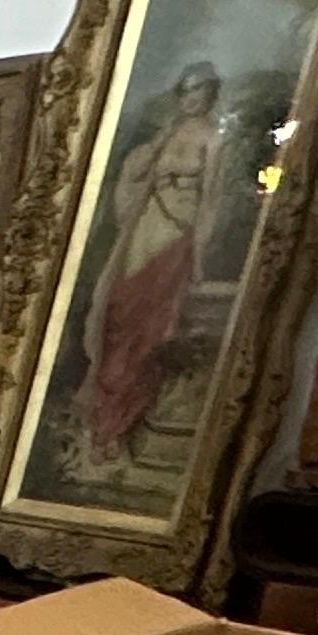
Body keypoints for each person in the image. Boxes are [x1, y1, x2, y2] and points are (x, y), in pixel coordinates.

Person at [76, 60, 222, 457]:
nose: (192, 98)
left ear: (211, 94)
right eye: (187, 90)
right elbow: (134, 175)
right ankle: (103, 423)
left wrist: (200, 256)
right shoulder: (167, 133)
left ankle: (123, 424)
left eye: (200, 90)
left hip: (177, 233)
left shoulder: (213, 140)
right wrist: (154, 151)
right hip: (144, 228)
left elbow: (209, 201)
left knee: (149, 331)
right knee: (119, 313)